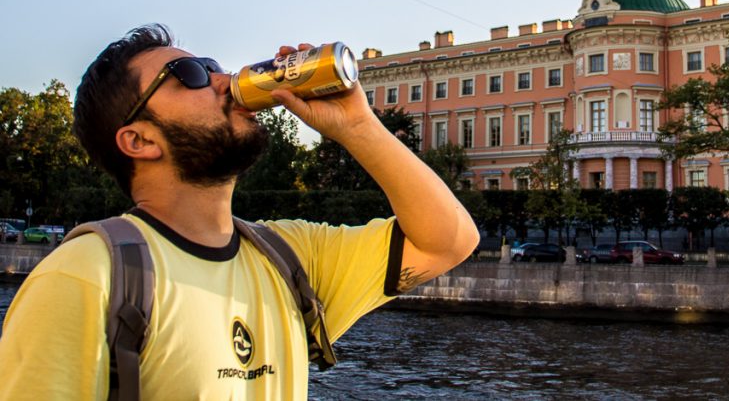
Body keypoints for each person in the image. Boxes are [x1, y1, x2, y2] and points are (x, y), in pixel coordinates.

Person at [0, 25, 479, 399]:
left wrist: (358, 126)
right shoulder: (85, 277)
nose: (224, 80)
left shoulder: (291, 256)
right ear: (139, 140)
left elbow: (450, 242)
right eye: (189, 75)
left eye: (212, 66)